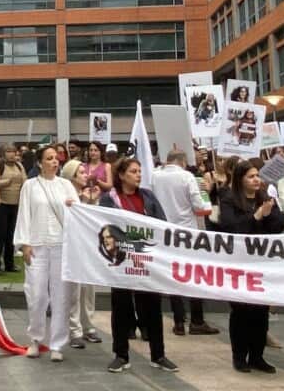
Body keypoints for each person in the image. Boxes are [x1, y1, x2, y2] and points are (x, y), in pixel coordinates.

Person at [98, 158, 178, 373]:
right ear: (122, 175)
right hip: (121, 263)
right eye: (133, 171)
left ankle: (158, 354)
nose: (138, 175)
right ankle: (121, 355)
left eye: (140, 171)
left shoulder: (148, 197)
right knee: (121, 308)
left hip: (146, 262)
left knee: (152, 308)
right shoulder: (109, 199)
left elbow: (161, 222)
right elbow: (104, 226)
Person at [217, 158, 284, 374]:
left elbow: (278, 226)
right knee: (241, 313)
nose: (256, 179)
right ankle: (239, 356)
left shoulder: (264, 198)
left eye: (257, 175)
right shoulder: (229, 199)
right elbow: (231, 227)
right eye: (251, 176)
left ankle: (257, 356)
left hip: (262, 263)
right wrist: (256, 216)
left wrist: (270, 214)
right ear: (240, 180)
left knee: (260, 312)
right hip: (239, 264)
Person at [14, 146, 79, 362]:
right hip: (37, 245)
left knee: (61, 296)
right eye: (49, 158)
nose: (54, 162)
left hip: (62, 246)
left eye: (56, 158)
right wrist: (24, 244)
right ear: (40, 163)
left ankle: (58, 344)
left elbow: (77, 214)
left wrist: (73, 205)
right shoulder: (30, 186)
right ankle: (35, 339)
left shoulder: (66, 185)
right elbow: (23, 214)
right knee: (37, 294)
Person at [150, 148, 218, 336]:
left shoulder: (155, 176)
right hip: (187, 232)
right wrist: (208, 193)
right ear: (182, 161)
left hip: (165, 230)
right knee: (192, 274)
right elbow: (198, 205)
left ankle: (179, 321)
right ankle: (197, 320)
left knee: (173, 275)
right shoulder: (187, 176)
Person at [61, 159, 103, 347]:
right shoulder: (66, 196)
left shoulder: (91, 193)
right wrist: (83, 201)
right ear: (72, 176)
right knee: (74, 290)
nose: (86, 175)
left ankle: (89, 326)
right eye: (81, 173)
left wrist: (92, 201)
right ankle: (74, 329)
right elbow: (71, 219)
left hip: (88, 247)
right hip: (72, 246)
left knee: (89, 289)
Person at [0, 144, 26, 274]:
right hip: (2, 205)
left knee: (11, 236)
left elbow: (25, 181)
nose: (11, 154)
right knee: (0, 236)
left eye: (13, 151)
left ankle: (9, 264)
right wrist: (6, 182)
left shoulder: (19, 165)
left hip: (16, 204)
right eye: (8, 151)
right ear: (3, 153)